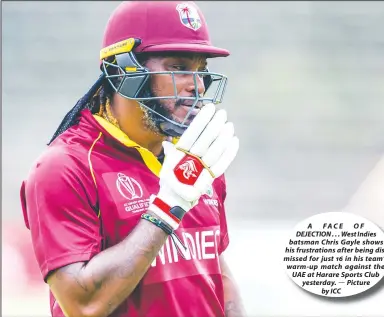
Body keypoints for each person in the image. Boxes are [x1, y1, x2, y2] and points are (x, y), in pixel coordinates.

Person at [19, 1, 246, 317]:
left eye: (201, 69)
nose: (196, 85)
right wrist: (168, 205)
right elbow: (83, 304)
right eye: (178, 67)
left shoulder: (196, 154)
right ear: (126, 71)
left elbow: (214, 271)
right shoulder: (65, 167)